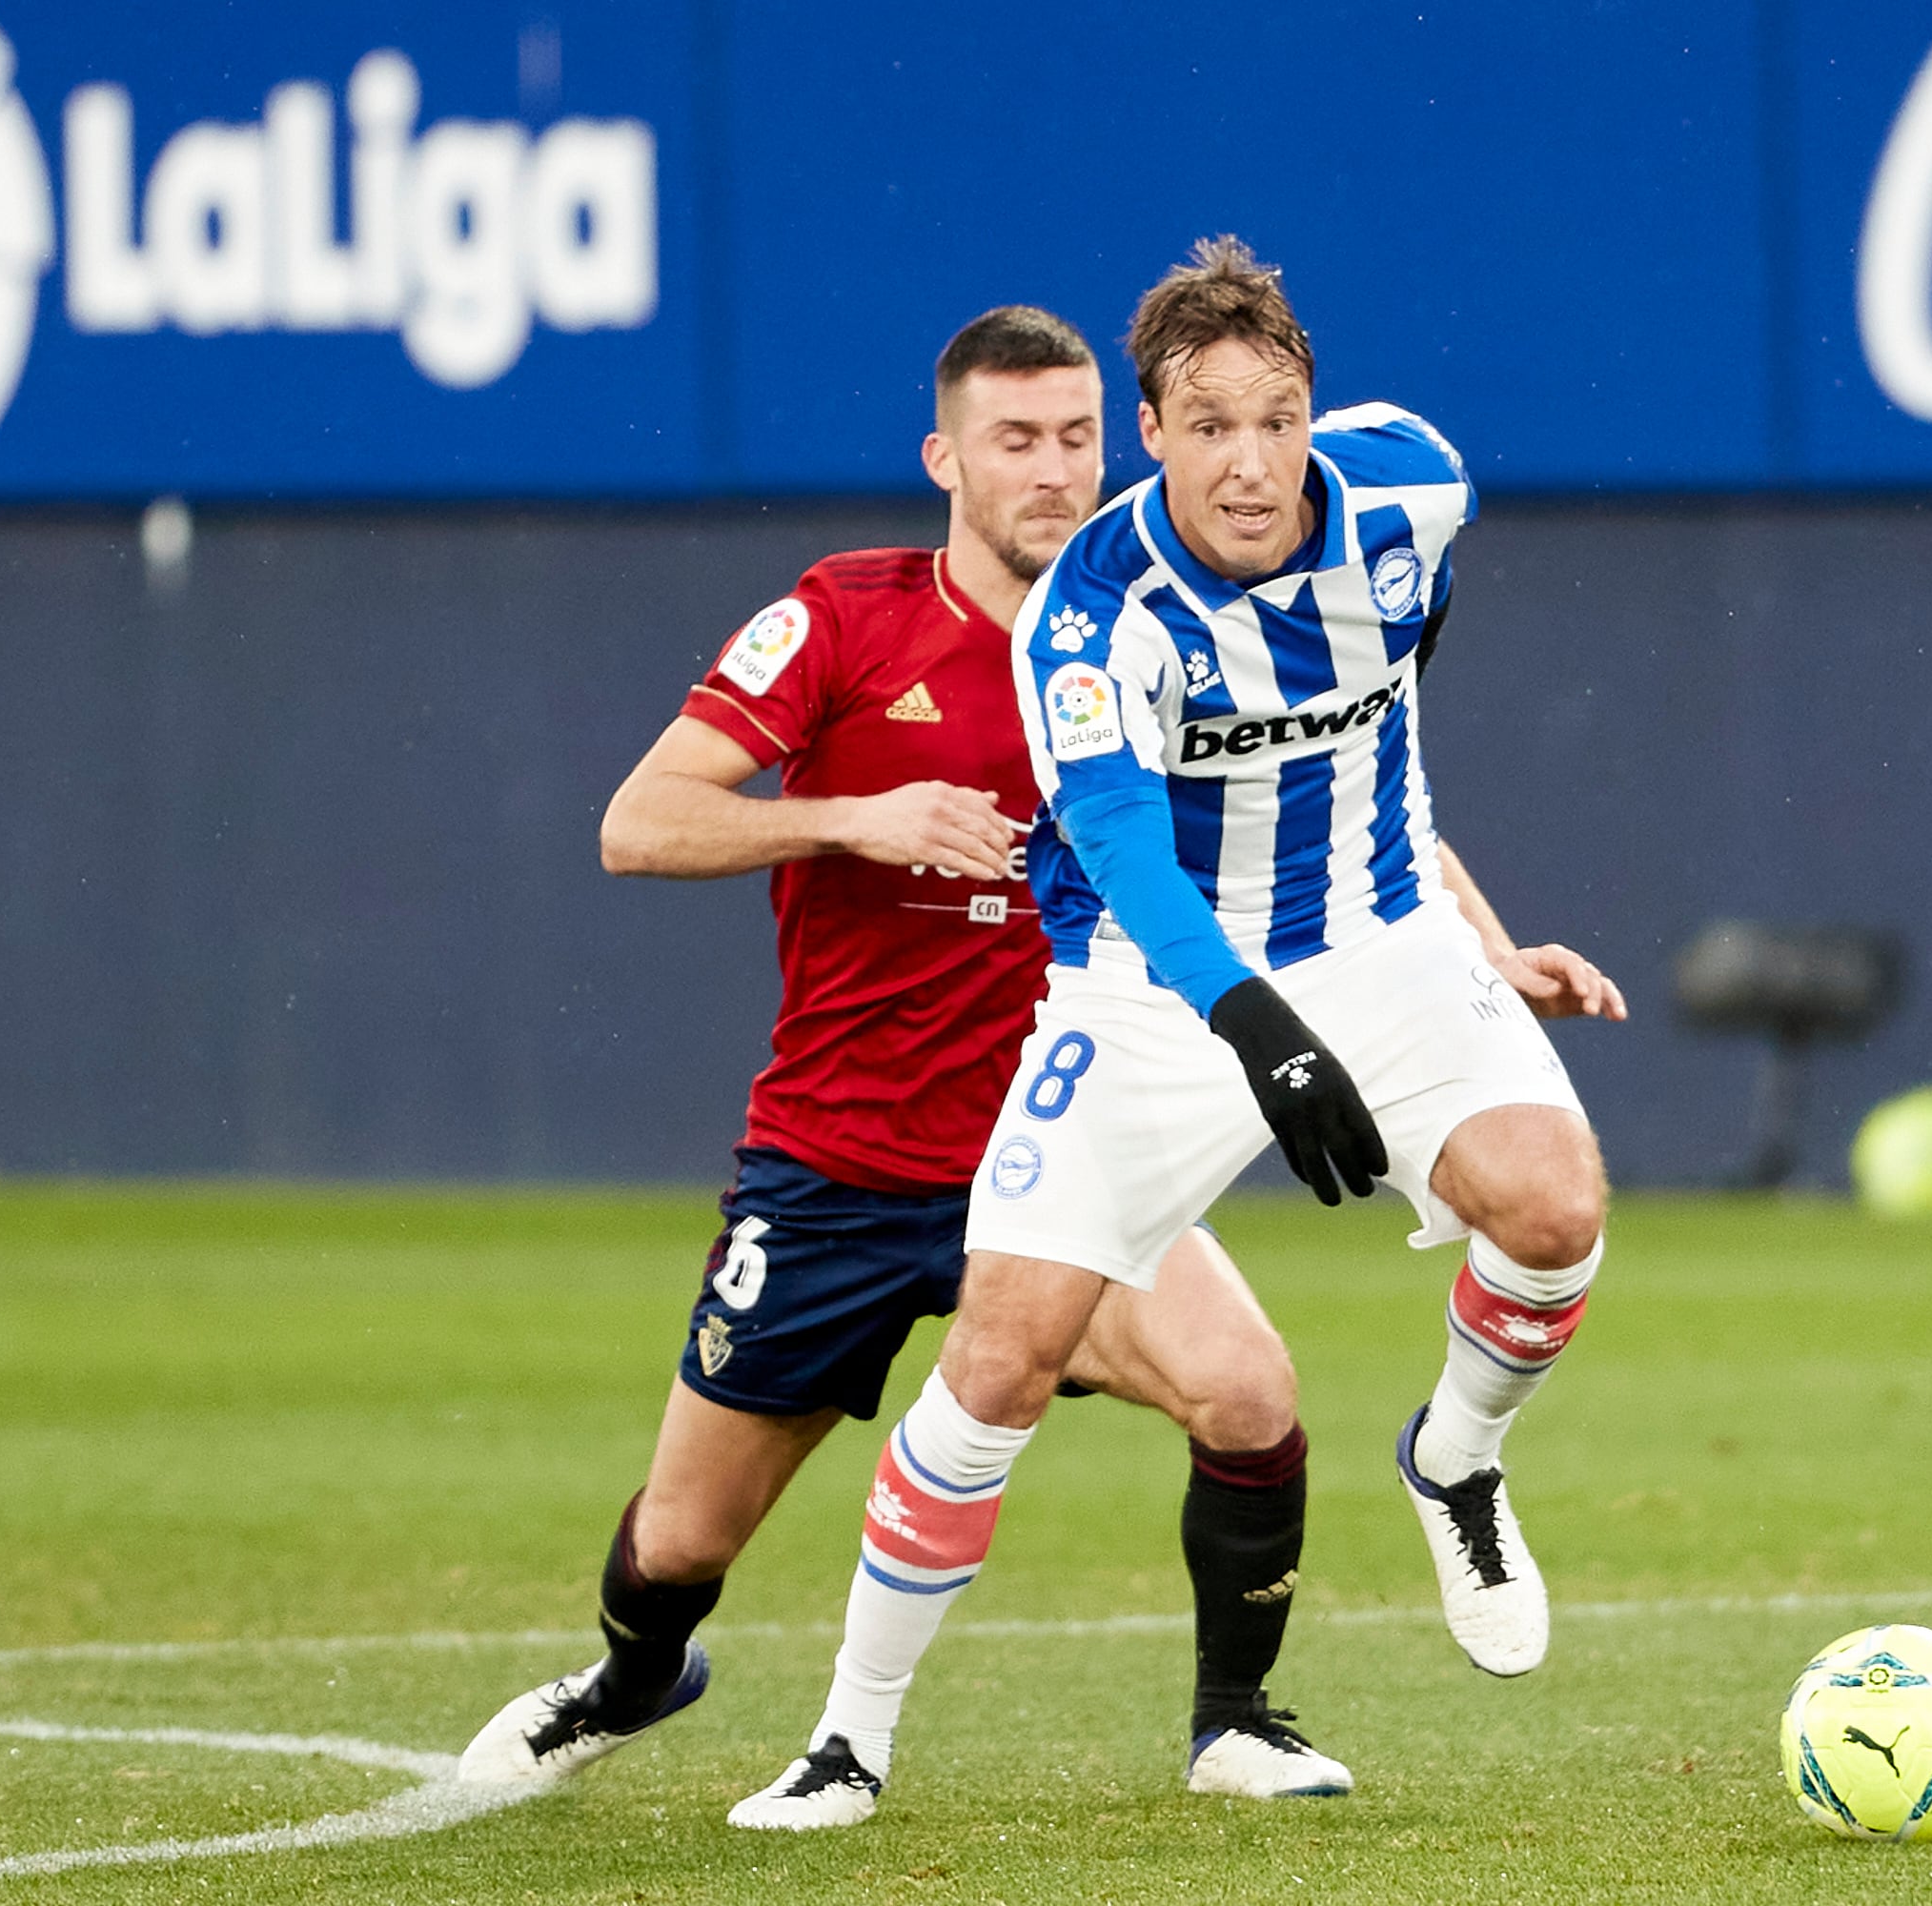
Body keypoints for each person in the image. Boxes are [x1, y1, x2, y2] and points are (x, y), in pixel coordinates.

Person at [456, 306, 1350, 1826]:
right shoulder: (840, 620)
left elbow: (1336, 788)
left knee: (1249, 1392)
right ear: (946, 457)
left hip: (1064, 1147)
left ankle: (1236, 1719)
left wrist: (1477, 953)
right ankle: (624, 1683)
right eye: (1015, 441)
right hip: (840, 1164)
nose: (1051, 472)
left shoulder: (1172, 623)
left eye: (1076, 436)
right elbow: (637, 823)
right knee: (681, 1542)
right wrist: (848, 818)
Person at [779, 236, 1625, 1795]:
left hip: (1379, 939)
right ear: (1152, 435)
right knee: (1002, 1356)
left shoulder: (1418, 489)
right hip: (1158, 986)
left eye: (1277, 417)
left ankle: (1455, 1462)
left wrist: (1468, 942)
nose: (1251, 462)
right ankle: (850, 1739)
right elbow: (1118, 851)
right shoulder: (1091, 621)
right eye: (1209, 424)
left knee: (1558, 1207)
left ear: (1316, 412)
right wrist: (1257, 1026)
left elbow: (1402, 687)